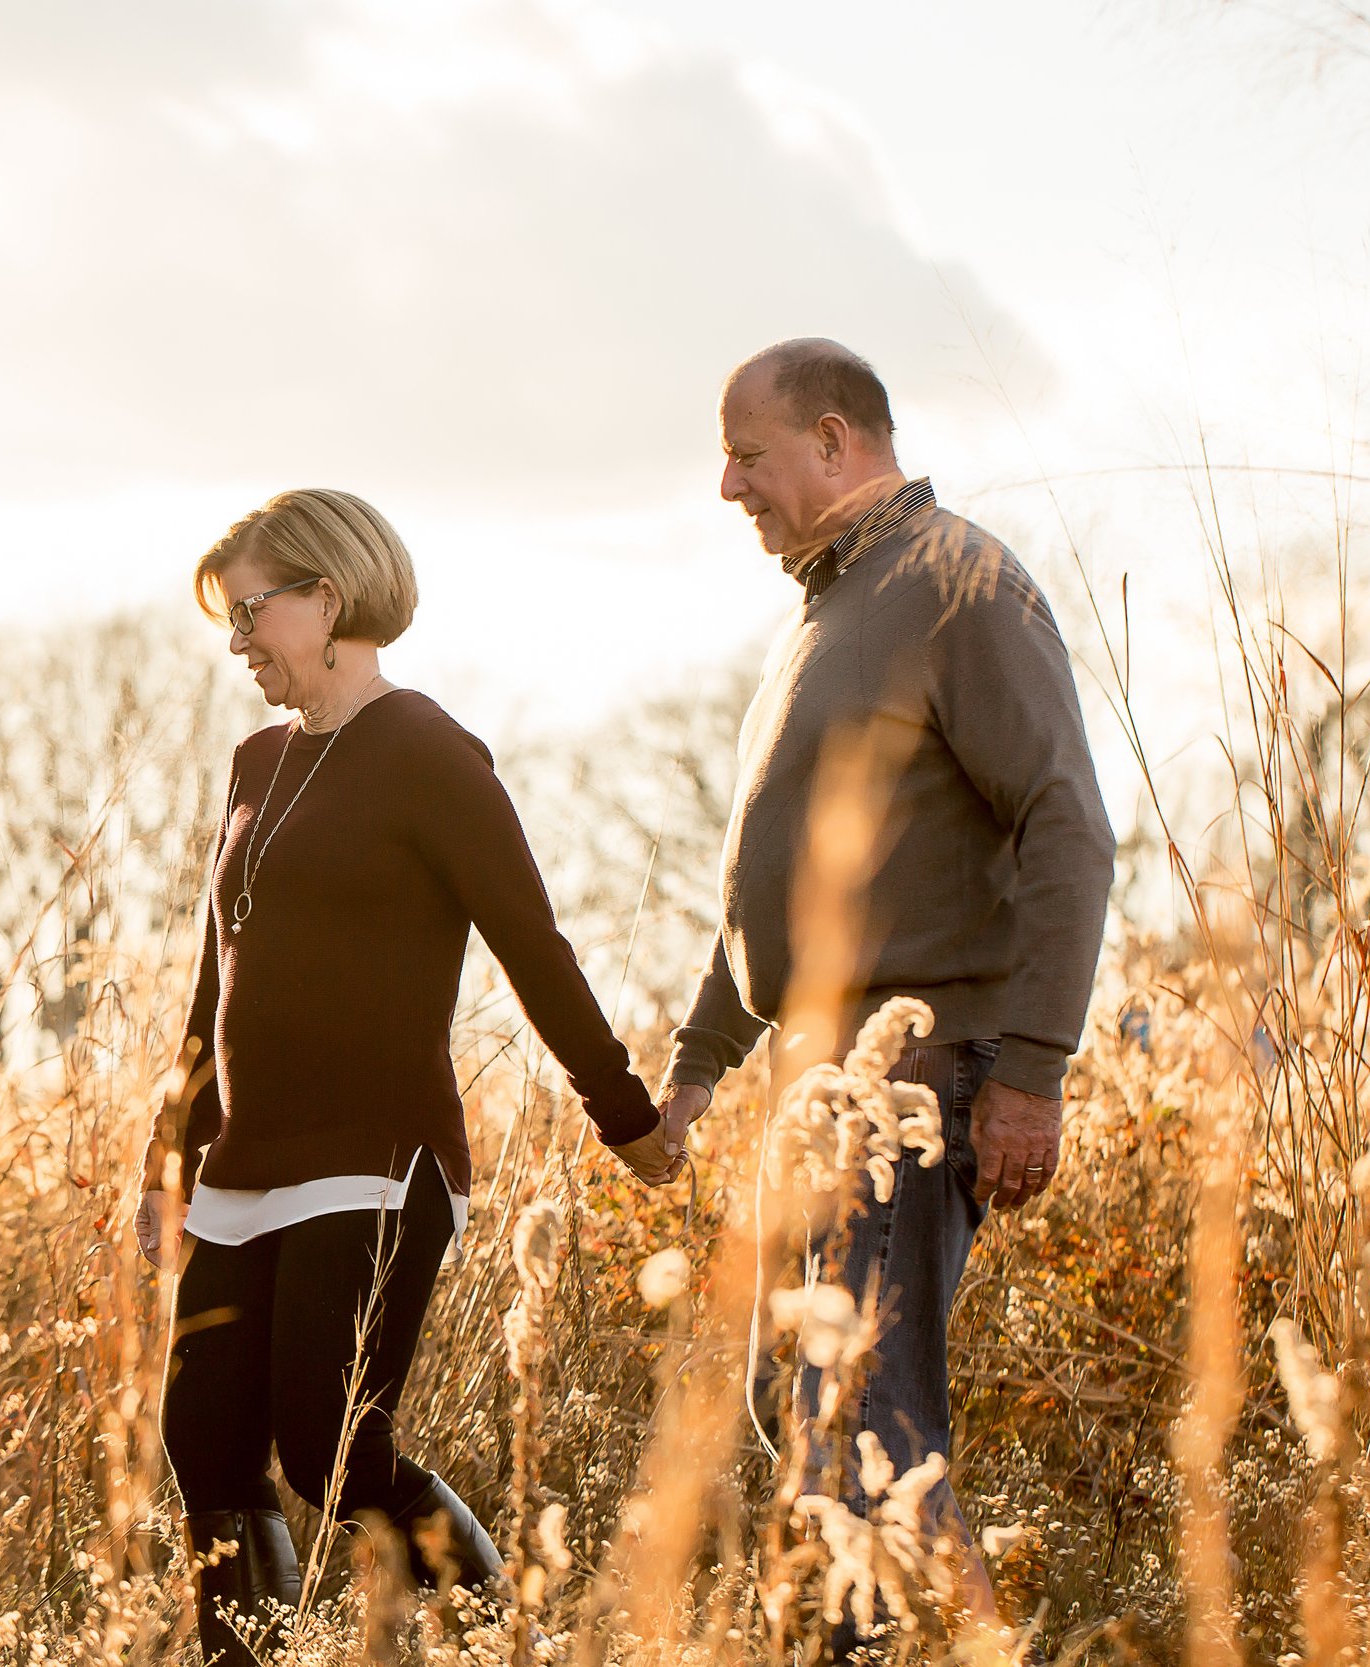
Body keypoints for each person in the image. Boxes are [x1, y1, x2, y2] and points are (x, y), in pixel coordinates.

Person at [136, 488, 677, 1667]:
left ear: (327, 598)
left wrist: (621, 1108)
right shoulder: (254, 759)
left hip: (376, 1165)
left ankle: (500, 1636)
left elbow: (533, 945)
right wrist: (168, 1160)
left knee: (332, 1439)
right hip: (244, 1167)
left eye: (250, 614)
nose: (237, 644)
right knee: (205, 1443)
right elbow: (211, 981)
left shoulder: (429, 749)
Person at [655, 341, 1115, 1646]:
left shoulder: (958, 583)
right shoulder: (827, 611)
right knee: (803, 1405)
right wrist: (700, 1058)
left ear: (838, 441)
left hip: (920, 1080)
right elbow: (786, 879)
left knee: (868, 1415)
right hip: (814, 1081)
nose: (728, 483)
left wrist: (1031, 1067)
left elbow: (1068, 826)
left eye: (749, 452)